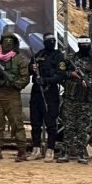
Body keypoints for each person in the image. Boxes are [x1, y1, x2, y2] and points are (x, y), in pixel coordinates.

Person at [0, 34, 29, 162]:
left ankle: (22, 151)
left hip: (12, 96)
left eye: (10, 42)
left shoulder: (20, 59)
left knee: (17, 124)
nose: (7, 44)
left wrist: (14, 83)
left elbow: (25, 78)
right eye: (5, 41)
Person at [58, 36, 92, 164]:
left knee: (83, 128)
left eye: (87, 45)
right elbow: (60, 72)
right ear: (79, 45)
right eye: (82, 45)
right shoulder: (70, 59)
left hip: (86, 100)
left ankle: (81, 153)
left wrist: (89, 83)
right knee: (69, 126)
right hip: (71, 98)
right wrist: (70, 74)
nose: (85, 47)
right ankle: (65, 153)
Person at [28, 33, 63, 162]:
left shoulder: (58, 56)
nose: (51, 43)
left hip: (50, 92)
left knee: (51, 123)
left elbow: (60, 75)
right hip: (37, 91)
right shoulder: (39, 55)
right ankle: (36, 149)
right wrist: (32, 68)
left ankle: (50, 149)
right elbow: (29, 70)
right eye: (49, 41)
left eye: (53, 41)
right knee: (35, 123)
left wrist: (46, 80)